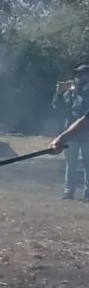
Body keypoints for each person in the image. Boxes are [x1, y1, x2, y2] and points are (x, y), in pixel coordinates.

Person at [51, 65, 89, 199]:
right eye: (77, 74)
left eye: (82, 74)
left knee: (87, 163)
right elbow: (57, 107)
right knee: (70, 163)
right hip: (70, 132)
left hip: (86, 133)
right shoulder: (71, 92)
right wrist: (58, 93)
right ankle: (68, 192)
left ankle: (88, 193)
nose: (78, 77)